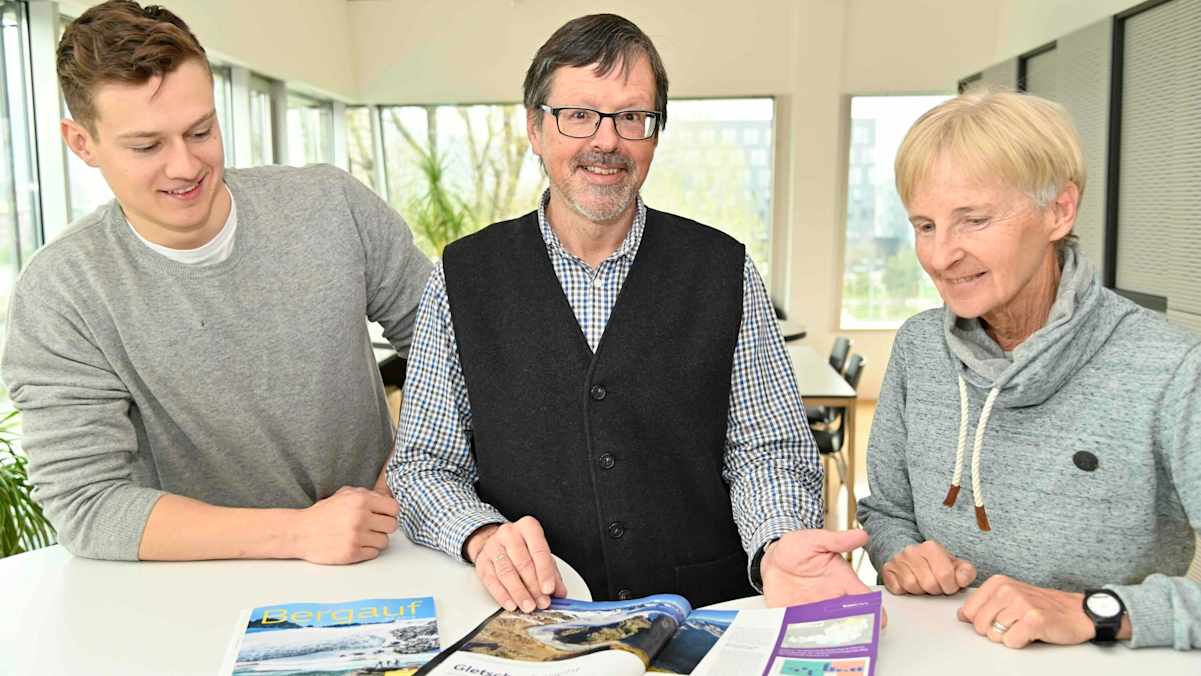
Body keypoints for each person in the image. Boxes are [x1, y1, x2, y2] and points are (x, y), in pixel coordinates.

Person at [388, 13, 869, 613]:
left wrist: (776, 541)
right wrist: (482, 536)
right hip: (534, 617)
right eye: (578, 114)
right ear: (535, 128)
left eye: (632, 117)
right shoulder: (461, 278)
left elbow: (767, 447)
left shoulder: (724, 270)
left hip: (703, 612)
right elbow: (424, 465)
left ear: (655, 134)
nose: (606, 141)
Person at [1, 1, 431, 564]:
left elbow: (457, 354)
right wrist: (297, 533)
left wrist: (400, 479)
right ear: (82, 143)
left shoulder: (333, 206)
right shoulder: (63, 292)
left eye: (200, 130)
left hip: (380, 552)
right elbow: (87, 504)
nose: (185, 166)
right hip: (194, 588)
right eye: (147, 146)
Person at [857, 88, 1200, 650]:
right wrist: (899, 554)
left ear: (1059, 211)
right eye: (925, 226)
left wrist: (1096, 611)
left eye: (973, 220)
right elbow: (886, 510)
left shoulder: (1171, 369)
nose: (942, 256)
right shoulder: (919, 346)